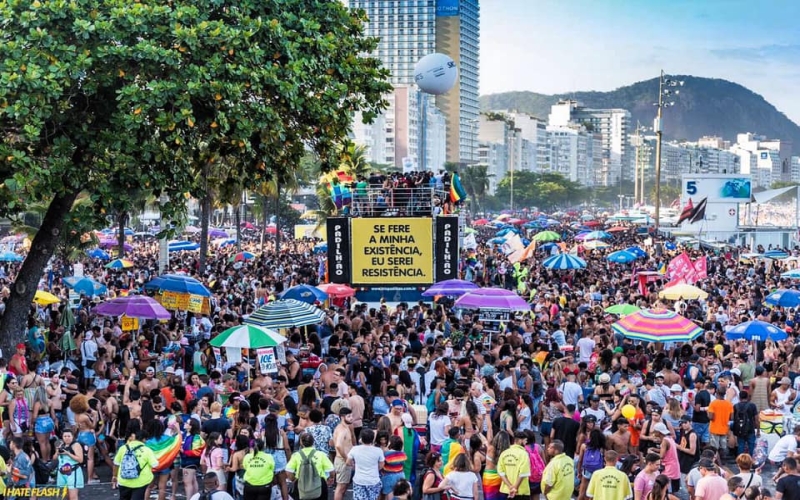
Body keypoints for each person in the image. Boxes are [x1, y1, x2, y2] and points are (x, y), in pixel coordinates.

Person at [112, 421, 159, 500]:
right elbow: (155, 465)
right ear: (144, 439)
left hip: (123, 480)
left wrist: (114, 476)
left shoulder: (123, 448)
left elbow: (116, 464)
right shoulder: (147, 450)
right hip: (141, 482)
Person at [285, 433, 334, 500]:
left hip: (301, 483)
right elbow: (331, 469)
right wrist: (331, 479)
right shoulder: (321, 454)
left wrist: (294, 480)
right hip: (319, 483)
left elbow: (288, 471)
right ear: (313, 442)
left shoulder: (296, 455)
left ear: (301, 442)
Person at [346, 429, 384, 500]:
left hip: (359, 480)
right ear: (373, 439)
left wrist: (354, 466)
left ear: (361, 439)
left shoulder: (355, 449)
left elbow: (348, 462)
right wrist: (375, 469)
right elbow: (382, 464)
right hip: (373, 480)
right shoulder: (378, 451)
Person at [497, 431, 531, 500]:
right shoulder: (523, 454)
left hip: (506, 490)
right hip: (520, 491)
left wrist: (510, 487)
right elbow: (523, 473)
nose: (526, 443)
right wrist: (514, 488)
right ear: (520, 440)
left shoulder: (504, 453)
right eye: (525, 440)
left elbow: (501, 472)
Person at [55, 428, 85, 499]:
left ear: (72, 437)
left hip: (72, 472)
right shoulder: (61, 445)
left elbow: (80, 460)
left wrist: (68, 453)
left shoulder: (76, 445)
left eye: (69, 436)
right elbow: (54, 458)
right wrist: (57, 452)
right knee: (64, 496)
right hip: (62, 472)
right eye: (65, 436)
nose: (67, 438)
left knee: (73, 497)